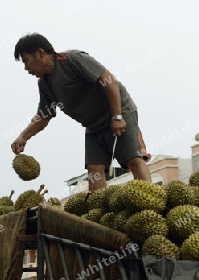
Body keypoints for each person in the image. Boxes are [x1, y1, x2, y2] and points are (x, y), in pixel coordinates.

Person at [11, 33, 151, 191]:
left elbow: (107, 79)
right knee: (94, 170)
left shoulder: (72, 59)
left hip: (118, 112)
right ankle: (99, 212)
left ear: (40, 53)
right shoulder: (45, 84)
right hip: (93, 125)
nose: (26, 68)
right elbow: (44, 115)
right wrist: (23, 136)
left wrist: (117, 116)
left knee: (133, 159)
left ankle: (152, 199)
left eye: (26, 61)